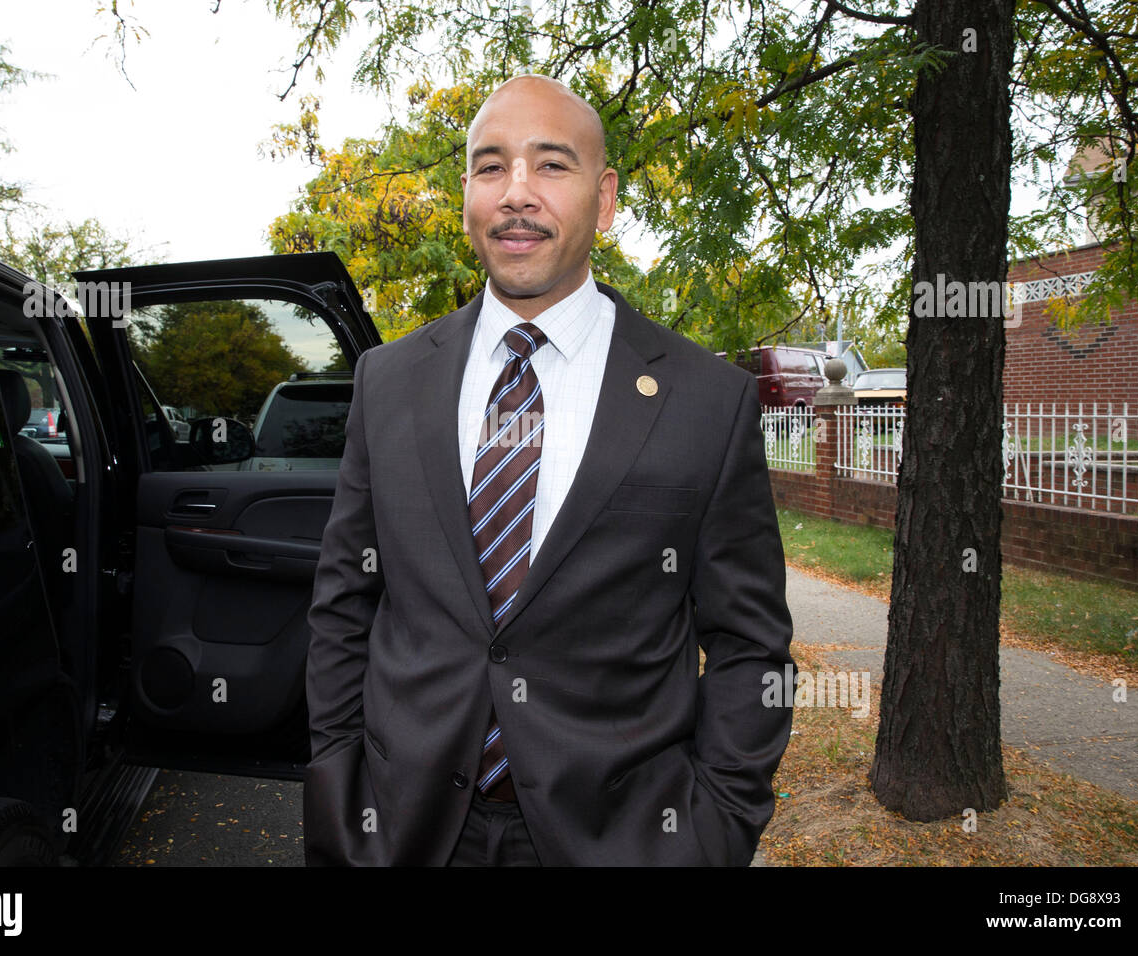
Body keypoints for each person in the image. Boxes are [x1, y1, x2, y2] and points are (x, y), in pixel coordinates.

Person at [303, 73, 796, 866]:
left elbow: (749, 645)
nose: (516, 193)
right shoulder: (387, 381)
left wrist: (715, 828)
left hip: (620, 839)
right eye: (491, 166)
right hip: (406, 829)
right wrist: (337, 781)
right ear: (466, 191)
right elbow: (343, 605)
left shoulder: (707, 401)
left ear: (603, 200)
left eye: (551, 165)